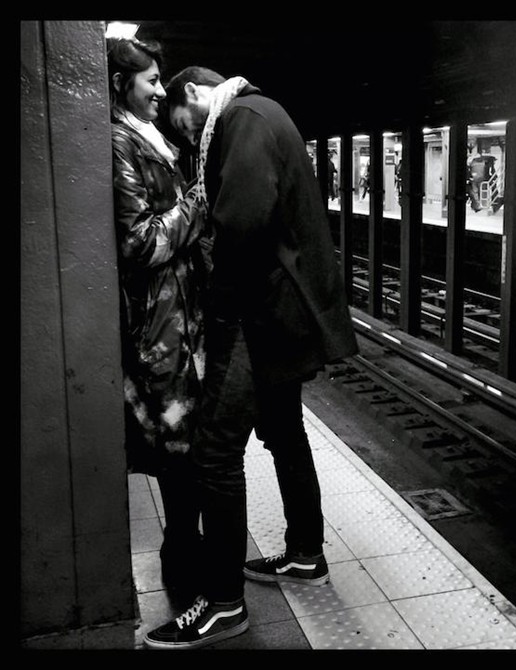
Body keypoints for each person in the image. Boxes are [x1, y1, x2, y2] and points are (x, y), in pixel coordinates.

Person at [142, 66, 359, 649]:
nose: (186, 134)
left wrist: (214, 314)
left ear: (193, 93)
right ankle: (306, 553)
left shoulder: (242, 121)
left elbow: (240, 225)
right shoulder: (261, 113)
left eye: (181, 122)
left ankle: (222, 604)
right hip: (283, 309)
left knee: (215, 454)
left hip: (258, 314)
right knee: (284, 433)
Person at [106, 39, 211, 606]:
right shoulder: (119, 142)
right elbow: (140, 242)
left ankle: (188, 545)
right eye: (149, 80)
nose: (159, 90)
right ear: (120, 83)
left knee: (189, 438)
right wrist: (196, 202)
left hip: (183, 312)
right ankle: (182, 555)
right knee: (175, 437)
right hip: (160, 319)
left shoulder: (150, 138)